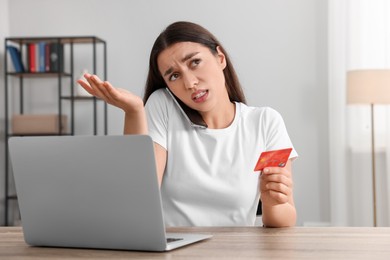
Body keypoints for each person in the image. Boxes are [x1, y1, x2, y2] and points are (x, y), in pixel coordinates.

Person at [78, 21, 298, 228]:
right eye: (174, 76)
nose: (190, 83)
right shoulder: (162, 105)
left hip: (237, 250)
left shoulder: (266, 122)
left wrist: (273, 202)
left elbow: (283, 216)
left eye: (195, 62)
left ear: (220, 58)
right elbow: (137, 197)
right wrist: (134, 111)